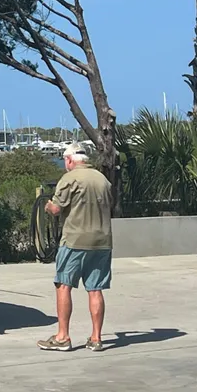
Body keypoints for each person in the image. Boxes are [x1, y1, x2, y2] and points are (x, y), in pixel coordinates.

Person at [37, 143, 113, 352]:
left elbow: (56, 208)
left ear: (70, 160)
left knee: (64, 285)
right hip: (102, 241)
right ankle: (96, 338)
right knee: (95, 289)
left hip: (74, 241)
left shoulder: (69, 179)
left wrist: (47, 205)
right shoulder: (102, 180)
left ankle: (63, 336)